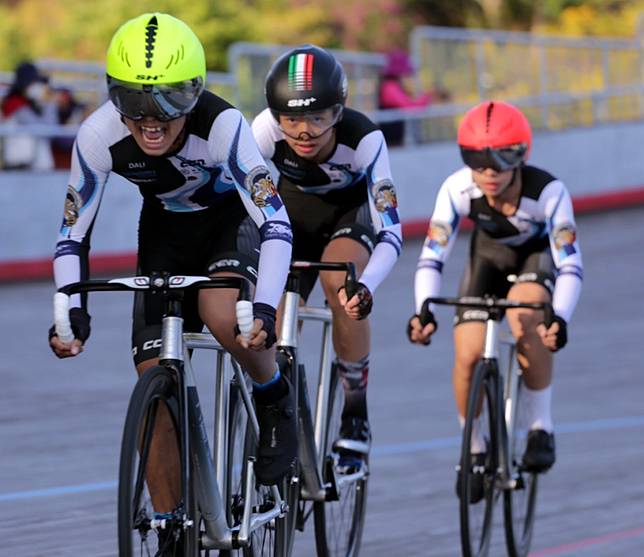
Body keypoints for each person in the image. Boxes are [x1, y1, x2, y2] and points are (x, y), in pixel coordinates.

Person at [48, 11, 297, 524]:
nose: (151, 117)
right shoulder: (98, 137)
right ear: (115, 96)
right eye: (135, 101)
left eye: (170, 99)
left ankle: (274, 395)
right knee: (151, 379)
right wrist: (71, 309)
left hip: (230, 226)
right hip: (164, 233)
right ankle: (169, 525)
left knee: (222, 311)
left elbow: (276, 225)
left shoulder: (224, 126)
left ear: (196, 93)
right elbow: (73, 234)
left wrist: (267, 309)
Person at [407, 100, 583, 501]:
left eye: (500, 162)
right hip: (486, 260)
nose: (488, 172)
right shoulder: (456, 188)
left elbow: (570, 264)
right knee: (467, 353)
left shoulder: (548, 191)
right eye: (476, 160)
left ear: (520, 156)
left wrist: (561, 316)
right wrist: (424, 307)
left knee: (526, 316)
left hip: (534, 262)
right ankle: (474, 448)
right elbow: (432, 255)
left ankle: (541, 425)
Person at [252, 44, 403, 470]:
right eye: (293, 119)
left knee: (341, 287)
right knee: (276, 312)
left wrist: (367, 286)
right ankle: (277, 404)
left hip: (347, 217)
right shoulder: (262, 130)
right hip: (292, 216)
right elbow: (236, 202)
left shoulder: (365, 139)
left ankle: (355, 412)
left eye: (318, 118)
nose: (303, 132)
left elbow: (390, 227)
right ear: (276, 115)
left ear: (339, 112)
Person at [377, 49, 449, 147]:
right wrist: (429, 95)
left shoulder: (391, 85)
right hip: (391, 142)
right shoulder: (390, 87)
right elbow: (410, 107)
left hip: (393, 140)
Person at [0, 61, 59, 170]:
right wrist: (49, 103)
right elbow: (47, 130)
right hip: (19, 166)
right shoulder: (15, 103)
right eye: (34, 83)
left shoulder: (28, 103)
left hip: (28, 165)